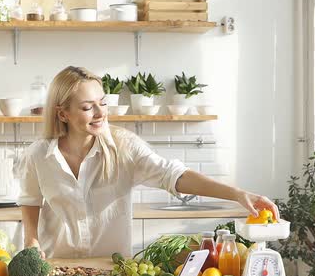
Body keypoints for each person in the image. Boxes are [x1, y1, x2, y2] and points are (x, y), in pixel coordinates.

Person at [17, 66, 279, 259]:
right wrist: (31, 239)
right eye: (88, 107)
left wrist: (236, 194)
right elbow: (30, 200)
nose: (100, 113)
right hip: (56, 270)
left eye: (103, 103)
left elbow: (174, 175)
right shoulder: (38, 156)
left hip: (113, 274)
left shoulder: (125, 147)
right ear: (62, 113)